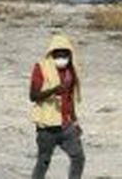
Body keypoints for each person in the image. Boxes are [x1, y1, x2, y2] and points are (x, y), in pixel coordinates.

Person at [28, 32, 84, 178]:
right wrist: (53, 90)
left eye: (64, 55)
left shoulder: (70, 71)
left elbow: (70, 97)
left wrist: (75, 121)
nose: (61, 59)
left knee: (78, 157)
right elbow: (33, 96)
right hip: (47, 126)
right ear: (51, 54)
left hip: (66, 125)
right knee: (43, 161)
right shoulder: (41, 68)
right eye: (58, 55)